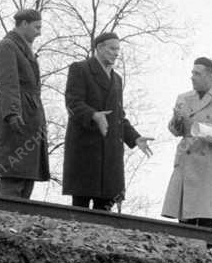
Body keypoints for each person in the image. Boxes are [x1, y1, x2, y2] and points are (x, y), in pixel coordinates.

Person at [62, 30, 152, 210]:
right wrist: (94, 115)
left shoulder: (117, 79)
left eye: (118, 49)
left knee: (105, 211)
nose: (116, 53)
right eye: (112, 49)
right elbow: (73, 103)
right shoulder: (80, 69)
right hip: (86, 150)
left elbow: (119, 116)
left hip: (110, 153)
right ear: (99, 48)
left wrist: (134, 138)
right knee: (80, 208)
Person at [161, 56, 212, 228]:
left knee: (204, 218)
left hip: (209, 164)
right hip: (186, 161)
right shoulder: (184, 98)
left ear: (211, 76)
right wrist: (177, 119)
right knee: (184, 219)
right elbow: (175, 131)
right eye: (192, 73)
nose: (192, 77)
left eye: (197, 74)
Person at [0, 8, 51, 199]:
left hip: (30, 117)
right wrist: (12, 113)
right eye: (36, 27)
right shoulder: (7, 46)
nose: (39, 32)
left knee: (26, 174)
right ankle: (9, 216)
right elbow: (7, 83)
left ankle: (20, 220)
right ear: (23, 24)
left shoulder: (23, 49)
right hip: (18, 116)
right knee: (14, 172)